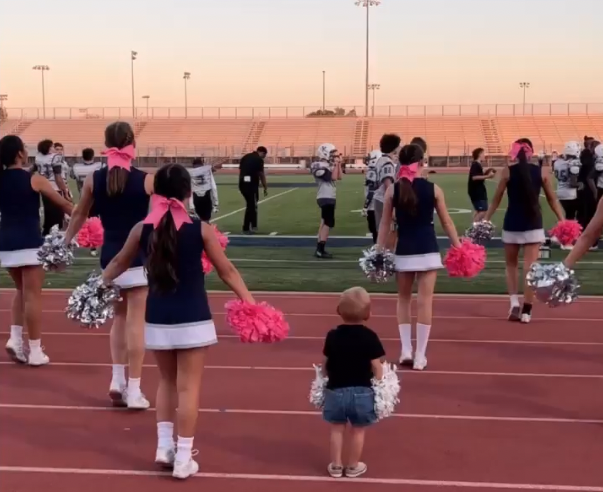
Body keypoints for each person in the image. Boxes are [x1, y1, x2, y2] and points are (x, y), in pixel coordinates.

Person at [101, 163, 255, 480]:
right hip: (193, 319)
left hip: (157, 320)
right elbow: (227, 271)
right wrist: (250, 303)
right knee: (189, 389)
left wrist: (96, 287)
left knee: (166, 384)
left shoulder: (141, 228)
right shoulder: (200, 229)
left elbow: (118, 262)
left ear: (156, 191)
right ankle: (183, 458)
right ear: (188, 192)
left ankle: (163, 447)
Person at [65, 121, 154, 409]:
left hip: (110, 258)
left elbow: (79, 214)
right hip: (139, 259)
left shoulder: (94, 178)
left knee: (119, 319)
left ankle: (117, 379)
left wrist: (65, 241)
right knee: (136, 323)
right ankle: (135, 389)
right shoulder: (147, 180)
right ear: (132, 145)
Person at [377, 144, 461, 370]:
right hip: (428, 250)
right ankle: (420, 355)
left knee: (403, 300)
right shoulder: (434, 189)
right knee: (425, 302)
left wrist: (378, 249)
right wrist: (459, 246)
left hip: (404, 251)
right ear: (422, 162)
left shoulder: (393, 190)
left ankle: (406, 349)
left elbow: (385, 223)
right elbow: (446, 222)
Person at [0, 135, 73, 366]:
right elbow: (63, 204)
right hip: (30, 243)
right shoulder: (35, 179)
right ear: (20, 154)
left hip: (6, 244)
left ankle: (14, 338)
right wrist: (85, 216)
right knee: (32, 295)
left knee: (21, 290)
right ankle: (35, 350)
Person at [483, 139, 564, 323]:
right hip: (533, 224)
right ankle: (527, 310)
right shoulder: (541, 172)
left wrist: (486, 219)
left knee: (511, 266)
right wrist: (562, 220)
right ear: (531, 152)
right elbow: (552, 200)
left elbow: (496, 200)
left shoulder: (507, 172)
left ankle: (513, 302)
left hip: (512, 223)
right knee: (531, 268)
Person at [321, 287, 384, 479]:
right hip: (362, 391)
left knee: (337, 429)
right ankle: (353, 466)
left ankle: (336, 465)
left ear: (338, 311)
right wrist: (380, 384)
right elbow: (376, 366)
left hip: (335, 390)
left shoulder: (332, 335)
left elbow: (326, 363)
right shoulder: (370, 336)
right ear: (368, 313)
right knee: (358, 431)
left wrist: (324, 377)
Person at [311, 143, 343, 259]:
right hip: (325, 196)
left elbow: (339, 177)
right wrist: (334, 164)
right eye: (332, 153)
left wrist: (338, 164)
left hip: (329, 196)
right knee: (328, 222)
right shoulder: (318, 165)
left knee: (324, 221)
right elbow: (332, 177)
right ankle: (320, 249)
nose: (334, 155)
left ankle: (319, 246)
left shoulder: (327, 164)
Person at [35, 139, 71, 235]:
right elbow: (58, 178)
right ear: (48, 148)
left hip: (43, 187)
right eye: (51, 147)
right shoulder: (55, 157)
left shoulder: (38, 157)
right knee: (57, 215)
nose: (53, 149)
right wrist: (65, 190)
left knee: (48, 213)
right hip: (54, 188)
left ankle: (45, 233)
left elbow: (34, 169)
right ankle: (53, 237)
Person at [373, 134, 400, 231]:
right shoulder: (387, 162)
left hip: (380, 198)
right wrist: (393, 204)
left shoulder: (382, 160)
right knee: (386, 230)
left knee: (383, 229)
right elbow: (388, 185)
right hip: (383, 200)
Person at [238, 146, 268, 234]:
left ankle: (249, 226)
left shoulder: (245, 157)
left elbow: (241, 171)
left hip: (242, 183)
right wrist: (265, 186)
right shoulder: (259, 160)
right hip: (251, 184)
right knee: (252, 205)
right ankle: (250, 226)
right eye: (264, 155)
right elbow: (261, 174)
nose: (264, 157)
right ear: (262, 152)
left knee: (250, 204)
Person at [553, 141, 581, 223]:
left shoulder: (557, 162)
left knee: (568, 215)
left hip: (560, 191)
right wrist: (580, 184)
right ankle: (570, 233)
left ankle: (568, 232)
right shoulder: (573, 163)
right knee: (572, 216)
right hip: (570, 194)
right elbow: (573, 183)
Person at [467, 147, 496, 222]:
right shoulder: (475, 164)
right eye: (483, 153)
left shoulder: (477, 165)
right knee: (483, 211)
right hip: (477, 191)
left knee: (479, 211)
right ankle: (475, 228)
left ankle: (475, 227)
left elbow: (477, 176)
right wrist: (488, 176)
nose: (484, 155)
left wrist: (486, 173)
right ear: (479, 154)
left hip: (478, 191)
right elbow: (474, 177)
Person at [188, 157, 218, 222]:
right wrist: (216, 202)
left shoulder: (190, 173)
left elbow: (190, 189)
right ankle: (206, 230)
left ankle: (200, 230)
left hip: (196, 197)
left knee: (199, 220)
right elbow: (214, 187)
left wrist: (191, 206)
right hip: (206, 196)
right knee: (206, 219)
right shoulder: (208, 171)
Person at [363, 150, 382, 243]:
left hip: (373, 205)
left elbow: (371, 191)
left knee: (374, 229)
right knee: (377, 229)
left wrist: (365, 206)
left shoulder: (372, 172)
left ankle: (378, 250)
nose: (368, 159)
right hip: (379, 203)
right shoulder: (379, 170)